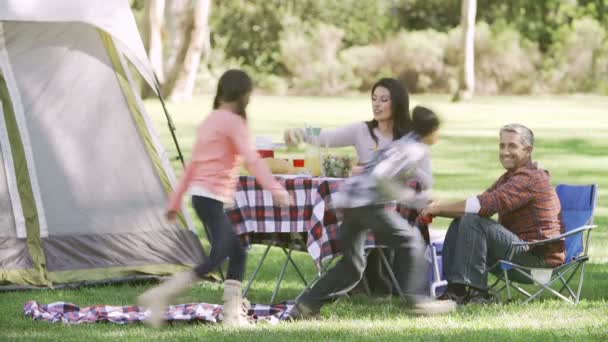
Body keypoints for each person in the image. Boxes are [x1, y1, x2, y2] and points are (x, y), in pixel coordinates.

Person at [138, 69, 290, 328]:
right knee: (218, 256)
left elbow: (191, 167)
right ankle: (160, 296)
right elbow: (252, 159)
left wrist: (175, 202)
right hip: (211, 198)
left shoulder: (210, 120)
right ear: (242, 95)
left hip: (203, 198)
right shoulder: (232, 122)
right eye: (248, 95)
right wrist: (275, 188)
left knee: (237, 252)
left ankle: (231, 314)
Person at [289, 109, 455, 319]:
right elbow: (380, 177)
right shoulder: (413, 148)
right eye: (438, 131)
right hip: (369, 205)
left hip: (350, 203)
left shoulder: (402, 143)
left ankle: (307, 305)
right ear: (431, 131)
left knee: (353, 265)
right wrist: (412, 198)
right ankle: (417, 300)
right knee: (412, 242)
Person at [284, 78, 414, 297]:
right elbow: (326, 138)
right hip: (360, 207)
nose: (377, 105)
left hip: (393, 207)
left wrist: (365, 171)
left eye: (384, 99)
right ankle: (338, 290)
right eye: (374, 99)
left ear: (398, 103)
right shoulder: (362, 130)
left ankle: (373, 287)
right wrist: (299, 133)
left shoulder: (407, 139)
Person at [421, 123, 565, 305]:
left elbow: (485, 206)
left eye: (512, 146)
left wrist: (439, 209)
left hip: (538, 259)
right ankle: (455, 290)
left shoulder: (531, 178)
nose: (505, 151)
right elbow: (482, 201)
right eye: (502, 145)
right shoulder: (510, 178)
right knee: (462, 220)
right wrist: (440, 207)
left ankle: (478, 294)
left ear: (528, 150)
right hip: (521, 250)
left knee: (472, 220)